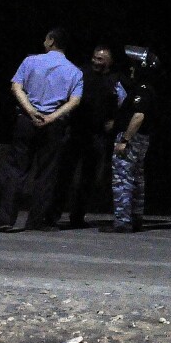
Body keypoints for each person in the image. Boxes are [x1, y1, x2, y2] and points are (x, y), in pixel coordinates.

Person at [0, 28, 84, 233]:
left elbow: (16, 87)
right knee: (47, 173)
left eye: (46, 38)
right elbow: (75, 100)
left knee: (17, 169)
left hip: (27, 121)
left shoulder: (30, 61)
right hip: (54, 124)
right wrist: (52, 116)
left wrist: (31, 110)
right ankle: (36, 220)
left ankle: (6, 220)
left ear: (51, 41)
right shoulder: (74, 71)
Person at [55, 44, 122, 228]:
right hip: (76, 131)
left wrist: (114, 122)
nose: (95, 61)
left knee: (88, 178)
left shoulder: (115, 80)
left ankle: (77, 217)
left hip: (97, 135)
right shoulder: (81, 74)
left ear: (109, 62)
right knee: (64, 174)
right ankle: (52, 214)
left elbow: (122, 105)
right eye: (94, 57)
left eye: (100, 59)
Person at [105, 45, 159, 233]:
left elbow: (138, 116)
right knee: (137, 179)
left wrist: (125, 140)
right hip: (142, 139)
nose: (131, 68)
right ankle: (135, 217)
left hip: (132, 139)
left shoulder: (142, 89)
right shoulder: (148, 88)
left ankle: (122, 221)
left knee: (122, 179)